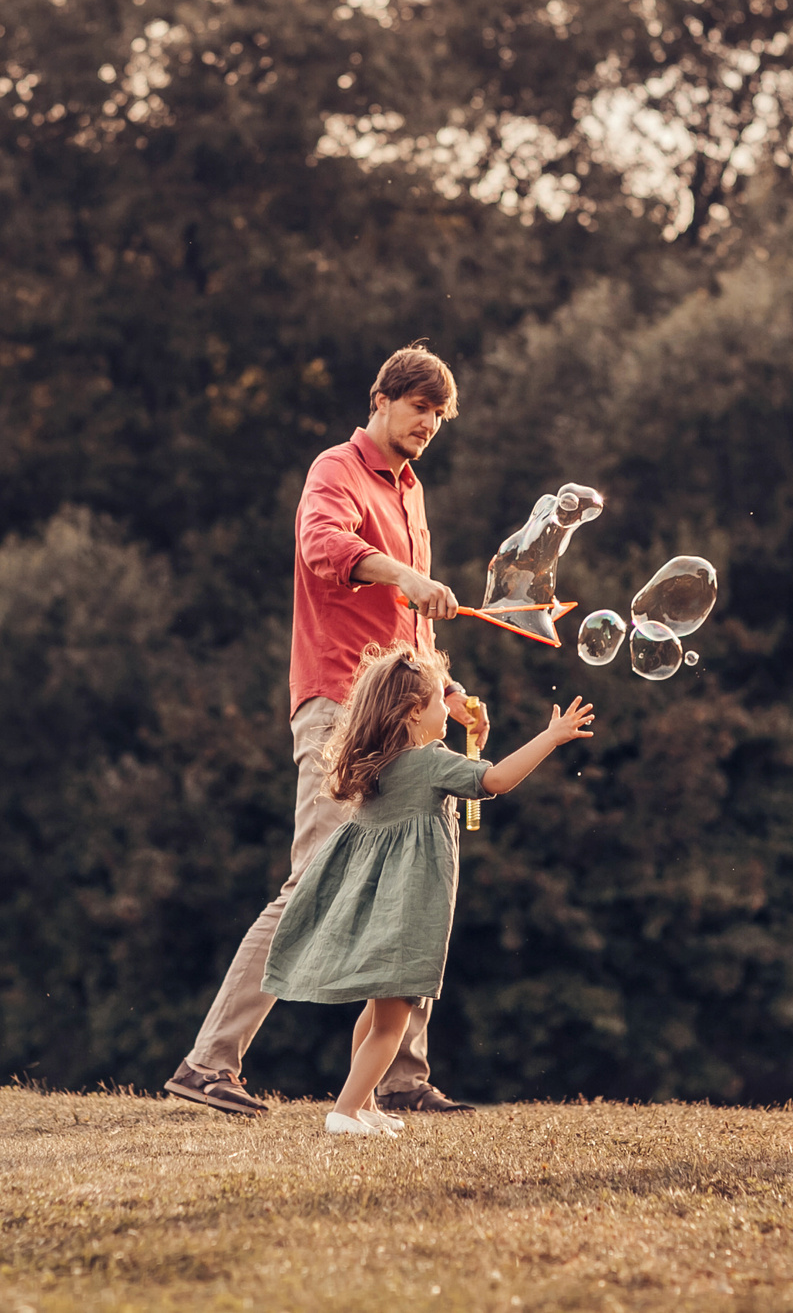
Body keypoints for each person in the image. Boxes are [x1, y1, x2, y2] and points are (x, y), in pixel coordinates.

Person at [166, 344, 479, 1119]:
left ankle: (402, 1078)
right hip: (341, 707)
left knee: (420, 881)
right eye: (419, 408)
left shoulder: (412, 493)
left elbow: (410, 626)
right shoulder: (335, 470)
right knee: (313, 880)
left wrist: (449, 689)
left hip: (408, 713)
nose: (428, 424)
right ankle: (208, 1063)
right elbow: (324, 548)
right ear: (382, 398)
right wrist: (403, 573)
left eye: (439, 416)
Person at [262, 642, 595, 1135]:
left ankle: (365, 1105)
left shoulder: (378, 767)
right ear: (415, 712)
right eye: (442, 700)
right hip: (407, 909)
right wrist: (550, 737)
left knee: (377, 1016)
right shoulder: (430, 762)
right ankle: (345, 1112)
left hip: (377, 908)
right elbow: (496, 780)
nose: (450, 708)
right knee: (392, 1027)